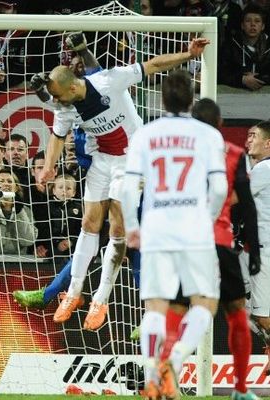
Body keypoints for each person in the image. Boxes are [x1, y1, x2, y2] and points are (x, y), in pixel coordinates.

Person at [33, 37, 210, 329]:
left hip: (132, 160)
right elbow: (57, 136)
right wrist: (48, 168)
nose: (58, 103)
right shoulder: (64, 106)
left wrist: (188, 54)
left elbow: (152, 65)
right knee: (89, 224)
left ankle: (100, 300)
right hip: (102, 159)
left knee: (118, 229)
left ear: (74, 86)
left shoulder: (108, 82)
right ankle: (74, 293)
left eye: (61, 97)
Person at [121, 70, 227, 400]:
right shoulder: (209, 136)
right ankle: (176, 361)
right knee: (205, 303)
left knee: (154, 308)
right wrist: (206, 217)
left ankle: (153, 374)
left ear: (163, 99)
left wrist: (131, 227)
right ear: (192, 99)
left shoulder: (146, 134)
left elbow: (128, 188)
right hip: (193, 226)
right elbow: (220, 188)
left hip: (156, 227)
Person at [157, 98, 261, 400]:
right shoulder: (232, 153)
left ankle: (166, 370)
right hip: (217, 241)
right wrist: (253, 249)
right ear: (220, 125)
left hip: (179, 241)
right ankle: (241, 389)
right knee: (236, 313)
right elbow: (248, 204)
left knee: (177, 309)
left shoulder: (174, 154)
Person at [243, 120, 270, 375]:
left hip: (264, 250)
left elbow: (236, 198)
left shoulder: (264, 168)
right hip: (252, 248)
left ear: (268, 143)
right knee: (243, 308)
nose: (248, 139)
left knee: (260, 316)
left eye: (254, 136)